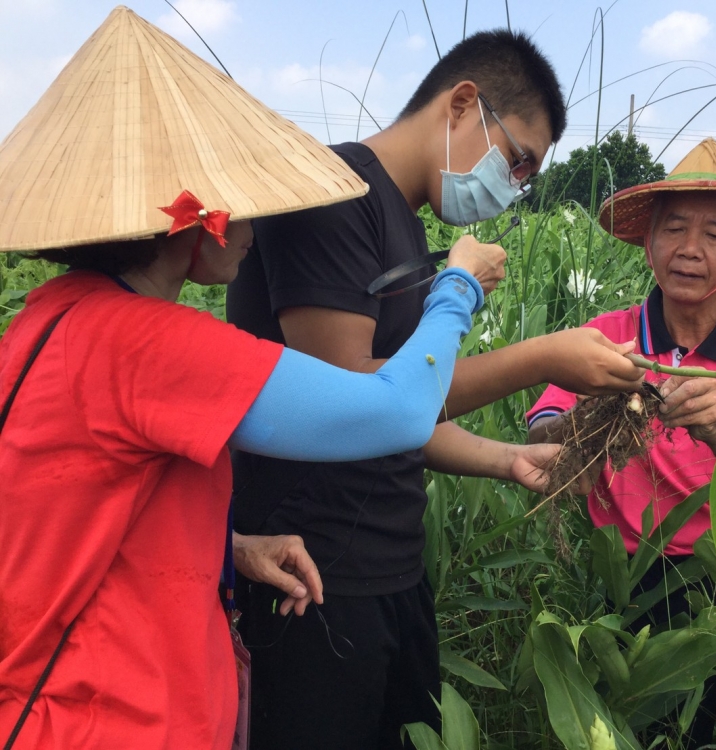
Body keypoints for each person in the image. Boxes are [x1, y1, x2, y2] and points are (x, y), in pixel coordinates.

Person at [0, 8, 511, 749]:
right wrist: (457, 285)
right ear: (194, 215)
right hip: (120, 715)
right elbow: (396, 413)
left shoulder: (49, 319)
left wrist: (228, 547)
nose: (255, 226)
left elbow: (83, 514)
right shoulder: (156, 345)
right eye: (245, 199)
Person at [226, 29, 645, 749]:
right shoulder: (335, 195)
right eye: (517, 162)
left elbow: (407, 408)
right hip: (313, 581)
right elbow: (359, 404)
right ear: (461, 105)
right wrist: (541, 356)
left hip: (391, 573)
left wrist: (508, 459)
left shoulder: (405, 230)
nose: (512, 190)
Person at [527, 138, 716, 746]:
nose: (690, 250)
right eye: (674, 229)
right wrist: (593, 419)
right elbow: (542, 431)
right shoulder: (604, 338)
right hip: (632, 583)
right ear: (648, 242)